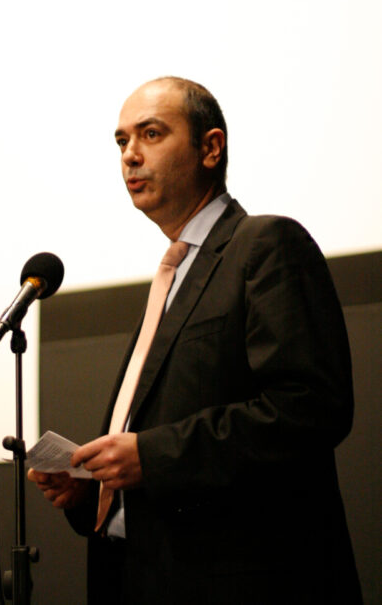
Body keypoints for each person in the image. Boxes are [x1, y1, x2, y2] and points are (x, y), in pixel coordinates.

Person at [28, 77, 362, 604]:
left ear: (211, 148)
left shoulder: (266, 245)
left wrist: (151, 456)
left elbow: (311, 409)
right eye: (121, 142)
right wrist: (95, 490)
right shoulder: (174, 275)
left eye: (151, 133)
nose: (131, 156)